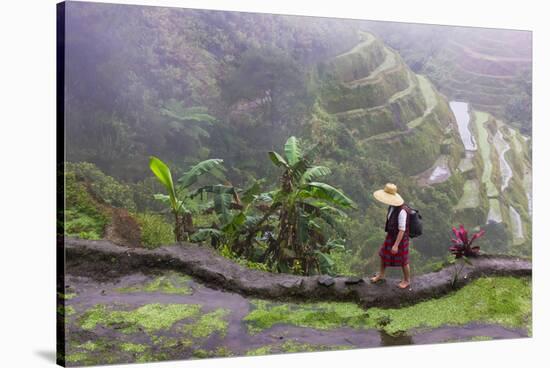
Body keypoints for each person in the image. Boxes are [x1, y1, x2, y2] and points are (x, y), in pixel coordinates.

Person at [370, 183, 411, 289]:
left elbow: (402, 230)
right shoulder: (392, 207)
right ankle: (381, 274)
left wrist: (396, 245)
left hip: (400, 238)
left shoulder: (402, 211)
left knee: (403, 260)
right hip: (391, 235)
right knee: (383, 254)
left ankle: (407, 280)